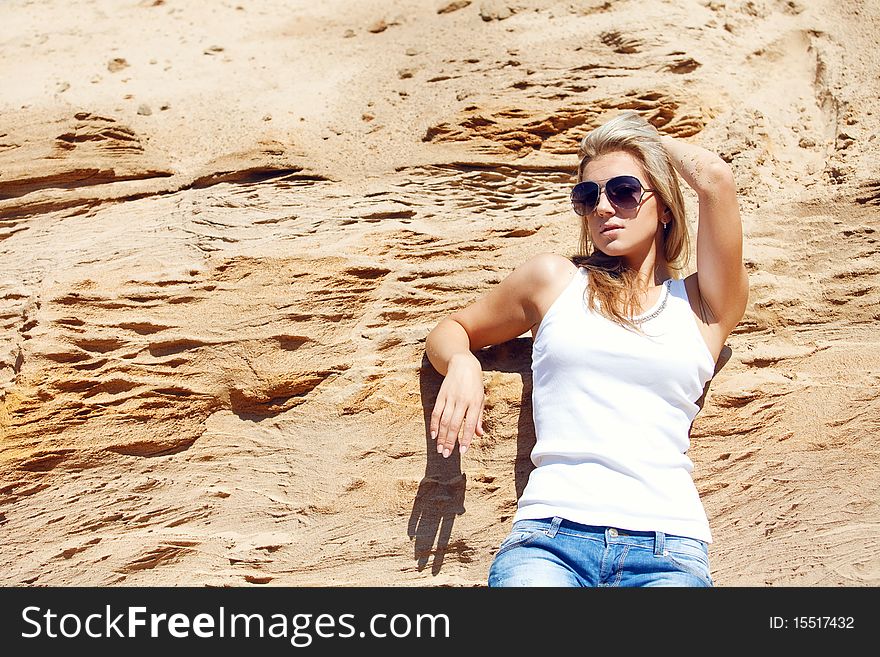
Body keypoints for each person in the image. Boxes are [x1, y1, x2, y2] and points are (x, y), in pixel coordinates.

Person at [423, 111, 748, 587]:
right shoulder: (556, 281)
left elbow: (715, 178)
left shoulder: (703, 304)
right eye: (587, 195)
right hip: (549, 542)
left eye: (624, 191)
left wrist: (639, 138)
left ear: (664, 208)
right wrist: (462, 361)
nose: (602, 207)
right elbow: (451, 329)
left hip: (668, 548)